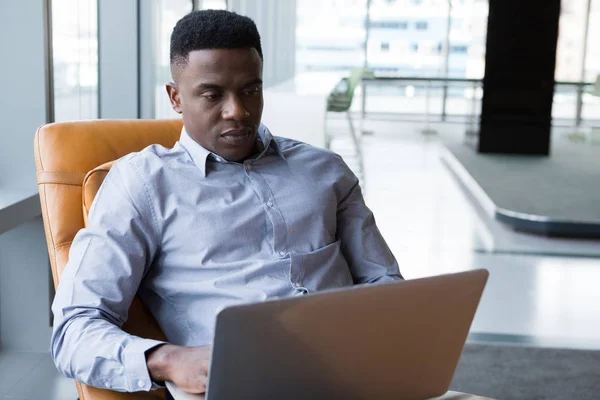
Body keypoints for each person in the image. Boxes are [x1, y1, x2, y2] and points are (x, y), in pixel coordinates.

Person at [51, 9, 402, 396]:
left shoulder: (326, 170)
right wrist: (169, 360)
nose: (237, 111)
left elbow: (384, 283)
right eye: (212, 94)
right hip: (248, 385)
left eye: (251, 90)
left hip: (359, 372)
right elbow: (74, 331)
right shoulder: (142, 184)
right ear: (175, 97)